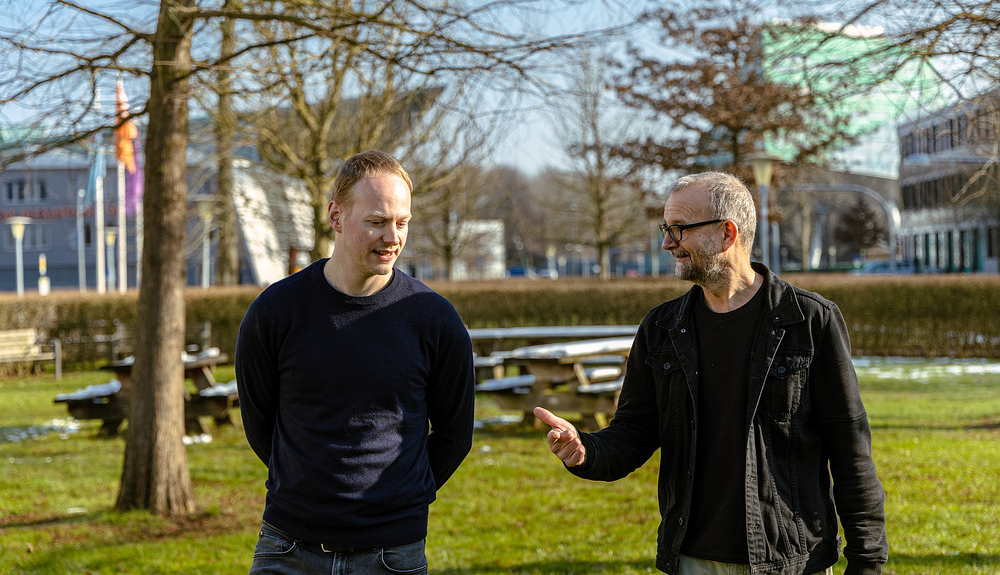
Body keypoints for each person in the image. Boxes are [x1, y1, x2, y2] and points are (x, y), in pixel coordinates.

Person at [534, 171, 888, 575]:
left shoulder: (808, 321)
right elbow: (634, 432)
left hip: (791, 563)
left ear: (727, 233)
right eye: (666, 228)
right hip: (690, 560)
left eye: (680, 229)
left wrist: (867, 562)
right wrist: (586, 450)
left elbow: (850, 451)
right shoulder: (661, 328)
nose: (668, 242)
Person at [235, 149, 476, 575]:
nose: (392, 237)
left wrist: (399, 498)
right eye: (377, 222)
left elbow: (455, 435)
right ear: (336, 216)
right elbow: (260, 423)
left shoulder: (434, 319)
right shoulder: (275, 312)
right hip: (286, 549)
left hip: (392, 555)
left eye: (402, 223)